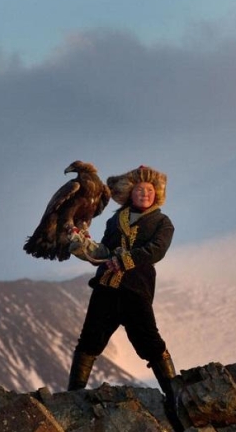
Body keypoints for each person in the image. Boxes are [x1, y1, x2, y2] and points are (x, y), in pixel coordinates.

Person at [67, 165, 177, 401]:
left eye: (149, 190)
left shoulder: (163, 223)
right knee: (89, 340)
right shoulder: (115, 220)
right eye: (139, 190)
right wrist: (82, 246)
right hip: (106, 287)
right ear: (130, 193)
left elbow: (156, 251)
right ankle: (73, 397)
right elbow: (104, 252)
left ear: (156, 193)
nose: (144, 194)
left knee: (150, 342)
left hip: (136, 290)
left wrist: (126, 260)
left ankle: (174, 394)